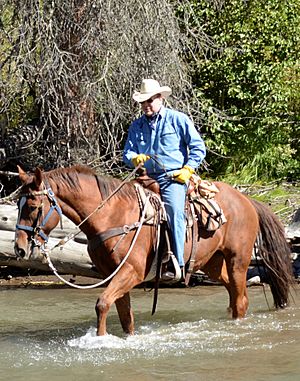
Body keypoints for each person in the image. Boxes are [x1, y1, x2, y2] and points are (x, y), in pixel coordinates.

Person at [123, 78, 206, 280]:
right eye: (143, 102)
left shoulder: (178, 119)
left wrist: (188, 169)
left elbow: (198, 147)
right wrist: (134, 158)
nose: (146, 105)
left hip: (173, 177)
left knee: (174, 212)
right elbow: (127, 153)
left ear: (160, 98)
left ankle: (176, 264)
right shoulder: (137, 126)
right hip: (145, 178)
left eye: (150, 100)